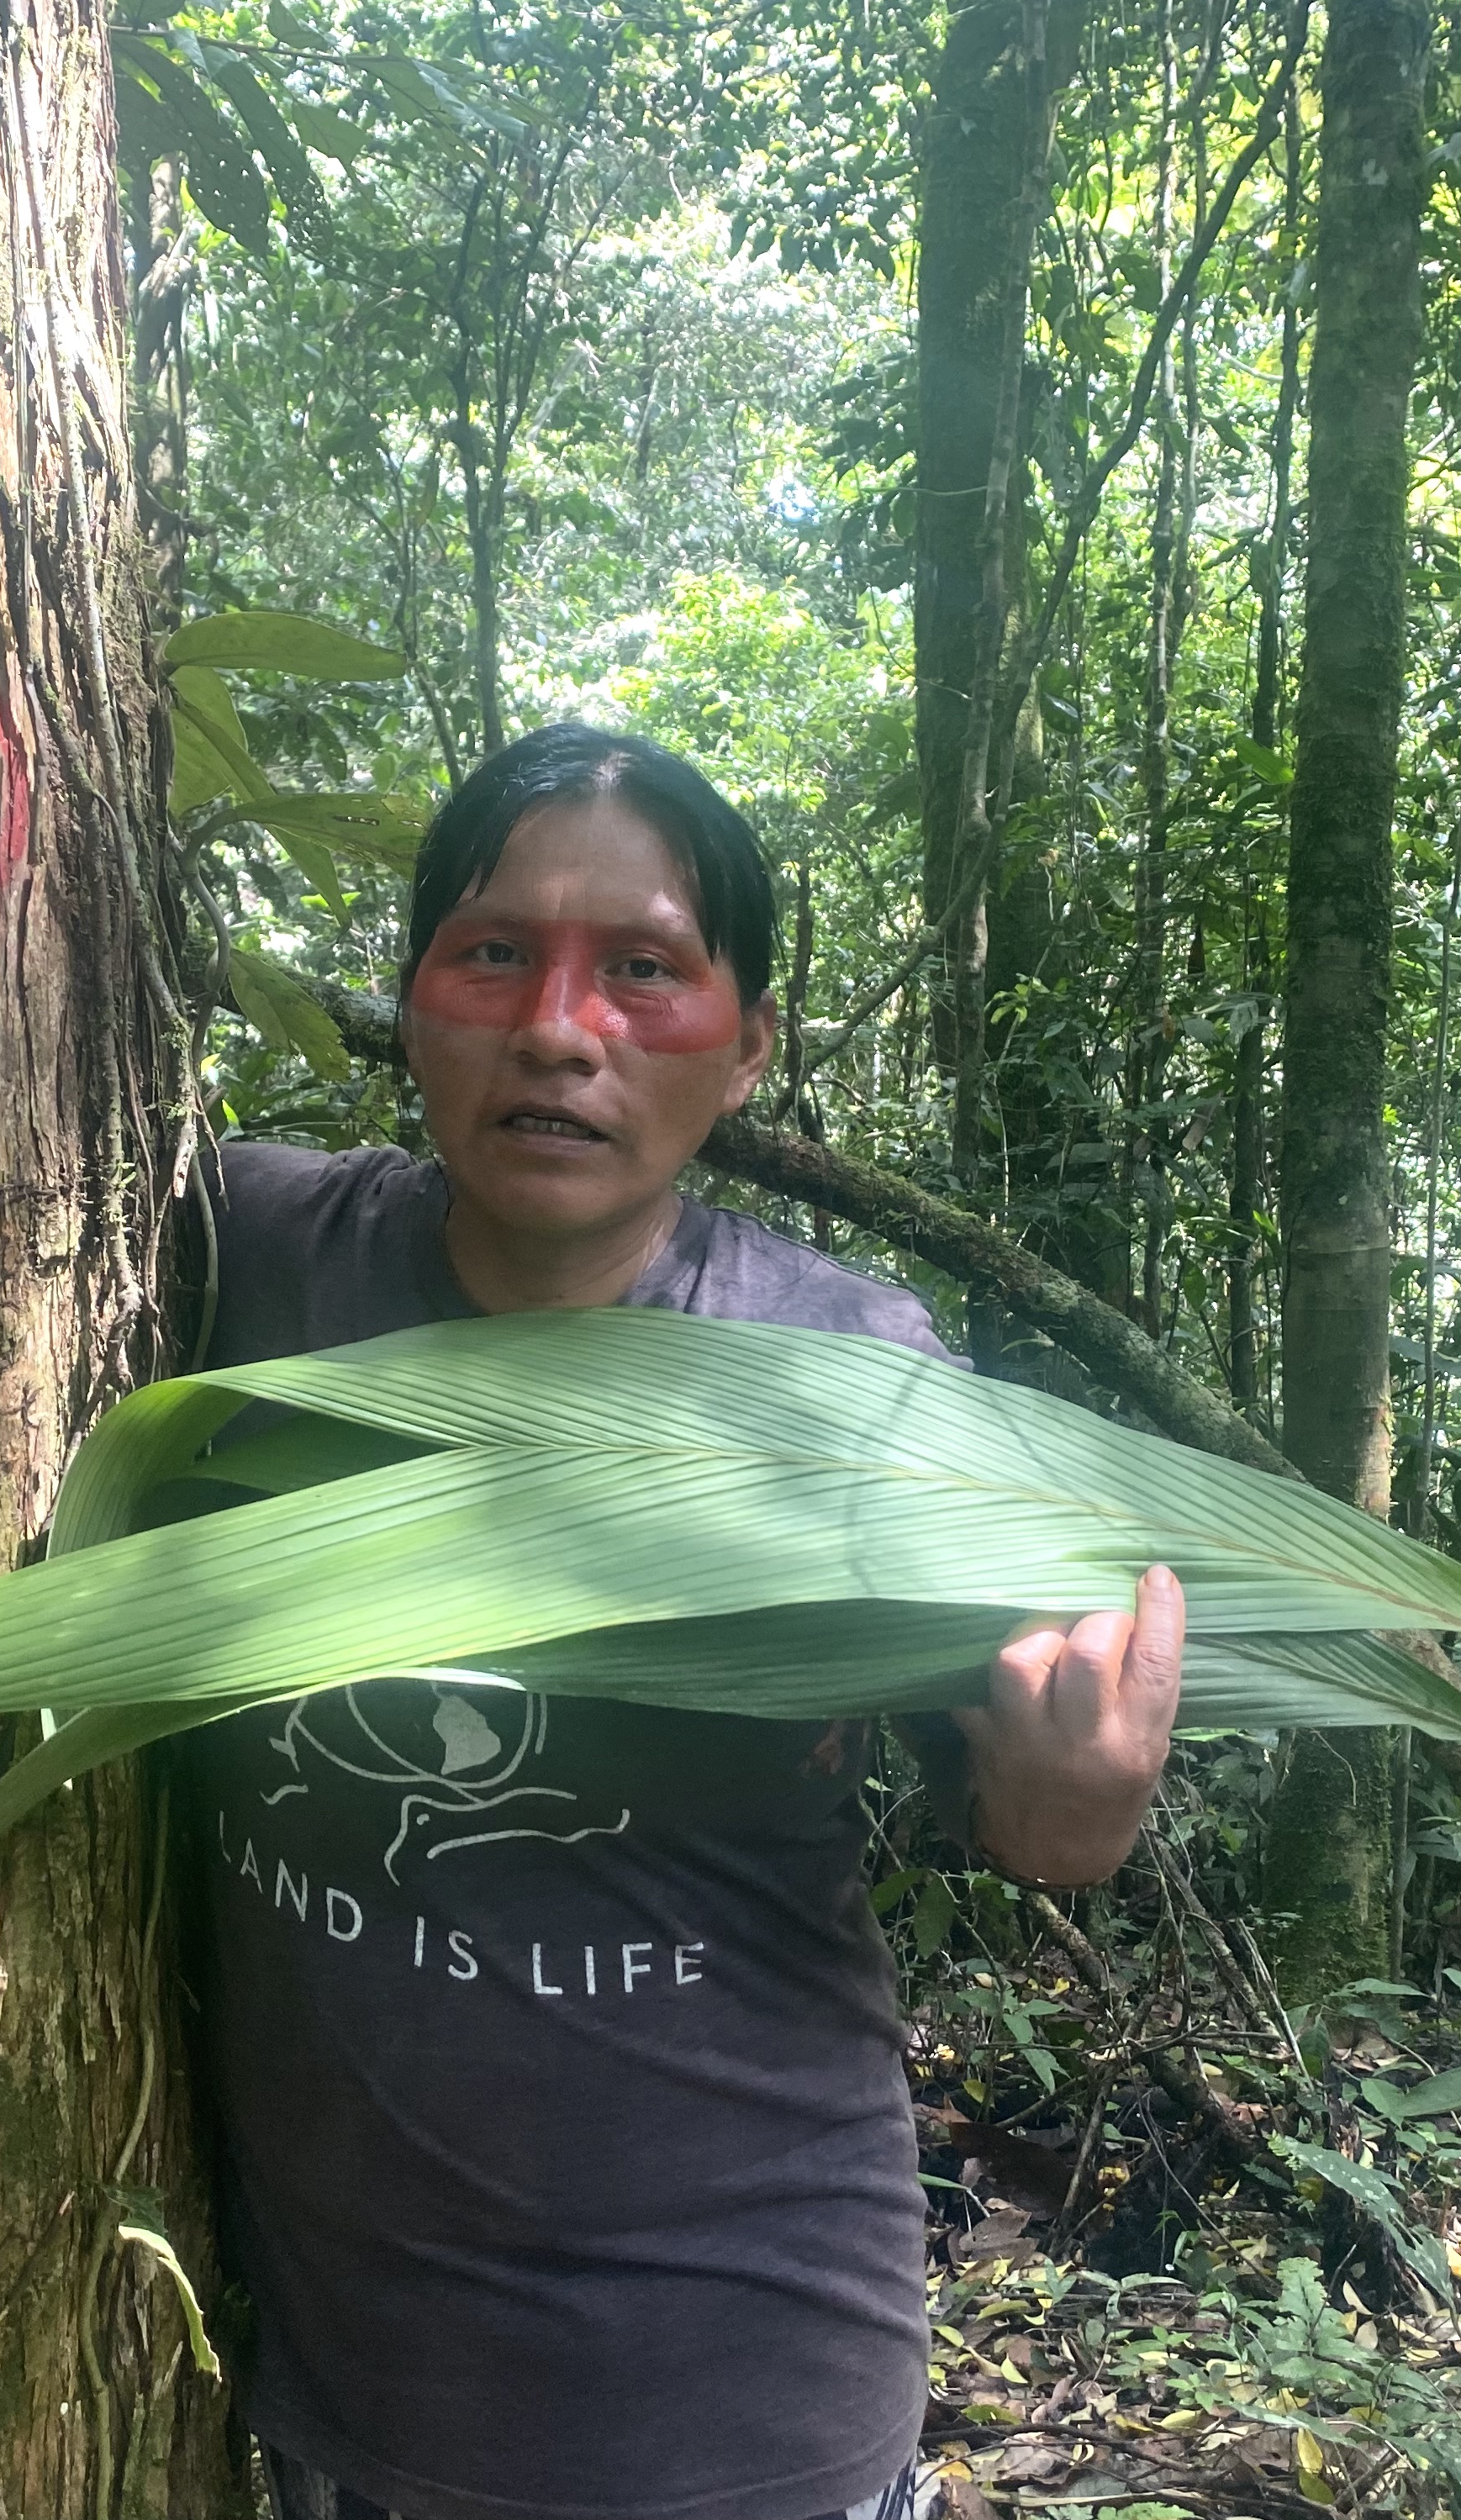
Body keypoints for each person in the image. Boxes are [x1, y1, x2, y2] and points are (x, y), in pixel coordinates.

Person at [173, 724, 1185, 2520]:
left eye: (646, 971)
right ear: (413, 999)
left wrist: (1078, 1800)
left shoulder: (849, 1376)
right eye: (495, 954)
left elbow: (1038, 1822)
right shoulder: (249, 1258)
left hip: (726, 2389)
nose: (560, 1029)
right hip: (332, 2390)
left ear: (746, 1055)